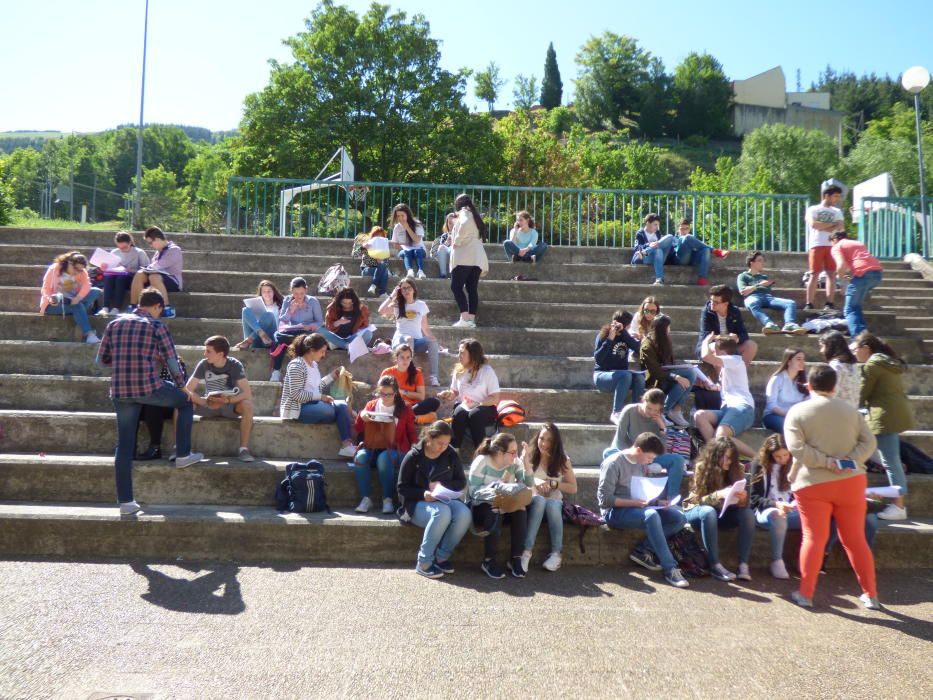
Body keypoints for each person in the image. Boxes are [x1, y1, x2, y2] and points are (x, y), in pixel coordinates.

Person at [96, 288, 204, 516]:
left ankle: (125, 503)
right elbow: (171, 360)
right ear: (156, 307)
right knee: (185, 402)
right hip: (149, 387)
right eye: (160, 310)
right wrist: (183, 385)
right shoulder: (157, 326)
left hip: (120, 391)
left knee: (124, 446)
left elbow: (102, 360)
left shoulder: (114, 325)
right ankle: (183, 453)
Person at [784, 364, 878, 609]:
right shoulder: (850, 411)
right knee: (856, 539)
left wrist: (826, 462)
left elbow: (796, 448)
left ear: (809, 385)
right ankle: (871, 594)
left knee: (813, 538)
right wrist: (846, 462)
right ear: (835, 386)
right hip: (851, 481)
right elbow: (869, 443)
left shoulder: (797, 411)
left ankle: (806, 594)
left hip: (812, 483)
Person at [597, 432, 689, 588]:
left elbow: (641, 492)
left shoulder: (641, 463)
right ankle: (670, 568)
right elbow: (604, 500)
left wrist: (658, 501)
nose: (650, 462)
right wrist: (634, 502)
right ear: (638, 450)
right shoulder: (613, 463)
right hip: (614, 512)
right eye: (649, 458)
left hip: (637, 507)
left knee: (679, 518)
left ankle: (643, 550)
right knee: (651, 515)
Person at [397, 421, 471, 579]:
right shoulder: (413, 456)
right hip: (416, 504)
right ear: (429, 437)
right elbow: (402, 488)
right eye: (440, 443)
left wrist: (442, 485)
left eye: (446, 444)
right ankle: (423, 562)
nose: (443, 448)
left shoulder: (450, 454)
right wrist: (423, 493)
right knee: (442, 513)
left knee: (464, 513)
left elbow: (461, 482)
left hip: (443, 499)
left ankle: (441, 557)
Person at [854, 333, 914, 521]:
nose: (855, 353)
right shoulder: (888, 362)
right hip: (896, 412)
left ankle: (898, 505)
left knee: (890, 461)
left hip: (884, 416)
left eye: (856, 349)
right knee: (890, 458)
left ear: (866, 348)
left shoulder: (873, 364)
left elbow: (862, 393)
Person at [682, 437, 755, 582]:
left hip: (723, 512)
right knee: (708, 512)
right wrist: (719, 495)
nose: (729, 462)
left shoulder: (737, 468)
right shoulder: (702, 467)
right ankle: (715, 565)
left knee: (748, 514)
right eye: (726, 458)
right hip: (698, 511)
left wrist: (742, 499)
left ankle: (743, 565)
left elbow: (743, 506)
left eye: (732, 458)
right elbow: (698, 500)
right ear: (716, 455)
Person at [468, 432, 535, 579]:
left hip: (506, 505)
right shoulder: (482, 461)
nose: (515, 455)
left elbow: (529, 487)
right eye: (512, 452)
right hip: (481, 507)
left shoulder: (515, 463)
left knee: (521, 508)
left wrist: (526, 465)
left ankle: (515, 558)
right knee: (494, 509)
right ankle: (488, 560)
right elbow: (473, 492)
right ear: (499, 452)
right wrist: (496, 491)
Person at [278, 333, 357, 458]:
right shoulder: (296, 365)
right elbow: (296, 394)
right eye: (322, 351)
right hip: (298, 409)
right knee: (330, 411)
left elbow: (316, 387)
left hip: (314, 405)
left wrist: (332, 376)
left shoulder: (314, 365)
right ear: (311, 350)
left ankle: (346, 445)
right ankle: (342, 417)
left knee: (342, 405)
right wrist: (321, 397)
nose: (324, 355)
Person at [604, 388, 685, 501]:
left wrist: (662, 429)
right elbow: (620, 441)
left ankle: (672, 499)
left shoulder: (659, 419)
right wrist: (639, 461)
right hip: (630, 454)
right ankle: (643, 468)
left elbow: (661, 450)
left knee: (678, 460)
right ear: (643, 401)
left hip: (649, 456)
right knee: (608, 452)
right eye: (648, 408)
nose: (651, 412)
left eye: (656, 410)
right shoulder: (629, 411)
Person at [184, 335, 256, 463]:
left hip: (228, 405)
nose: (205, 354)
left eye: (208, 351)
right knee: (183, 404)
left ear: (220, 354)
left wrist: (227, 401)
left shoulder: (234, 365)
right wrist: (205, 402)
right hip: (209, 405)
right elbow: (187, 389)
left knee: (247, 405)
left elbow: (247, 393)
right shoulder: (204, 364)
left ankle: (243, 449)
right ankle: (180, 448)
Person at [351, 376, 417, 514]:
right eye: (382, 393)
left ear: (396, 393)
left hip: (396, 448)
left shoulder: (405, 408)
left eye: (389, 394)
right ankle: (366, 499)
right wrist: (362, 414)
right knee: (360, 457)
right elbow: (358, 427)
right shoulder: (371, 405)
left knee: (384, 458)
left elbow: (411, 432)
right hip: (373, 447)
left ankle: (387, 499)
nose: (385, 397)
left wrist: (415, 448)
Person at [519, 423, 577, 572]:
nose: (544, 443)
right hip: (533, 502)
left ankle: (556, 554)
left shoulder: (562, 459)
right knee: (539, 501)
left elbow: (573, 487)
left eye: (549, 440)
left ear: (556, 442)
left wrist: (553, 484)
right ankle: (526, 552)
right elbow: (518, 480)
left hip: (553, 505)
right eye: (542, 438)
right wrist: (535, 482)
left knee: (552, 503)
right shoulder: (529, 455)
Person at [640, 314, 715, 428]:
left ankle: (674, 410)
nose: (669, 329)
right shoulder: (647, 345)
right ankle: (664, 412)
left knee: (688, 376)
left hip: (667, 377)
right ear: (662, 329)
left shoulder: (665, 341)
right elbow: (655, 371)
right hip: (655, 381)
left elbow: (670, 363)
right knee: (687, 376)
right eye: (668, 327)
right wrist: (676, 377)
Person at [696, 333, 757, 458]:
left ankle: (758, 458)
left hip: (742, 407)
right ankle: (715, 455)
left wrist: (706, 340)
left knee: (721, 435)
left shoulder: (734, 360)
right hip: (727, 408)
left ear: (722, 352)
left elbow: (705, 356)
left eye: (716, 351)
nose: (714, 354)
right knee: (700, 416)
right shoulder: (728, 366)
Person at [749, 434, 799, 579]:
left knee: (821, 516)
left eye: (786, 455)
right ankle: (777, 561)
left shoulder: (794, 464)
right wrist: (776, 504)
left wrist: (795, 504)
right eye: (778, 456)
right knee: (778, 514)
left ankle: (803, 557)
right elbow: (754, 499)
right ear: (769, 455)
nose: (783, 460)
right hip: (766, 511)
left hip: (792, 510)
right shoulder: (759, 465)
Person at [437, 338, 500, 450]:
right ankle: (453, 450)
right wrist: (448, 394)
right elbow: (455, 392)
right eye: (459, 352)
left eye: (462, 353)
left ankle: (481, 452)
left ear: (472, 354)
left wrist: (478, 403)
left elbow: (495, 398)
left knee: (474, 415)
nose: (459, 355)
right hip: (464, 405)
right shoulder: (459, 371)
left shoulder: (487, 371)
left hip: (484, 407)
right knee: (459, 413)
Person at [378, 279, 439, 386]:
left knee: (432, 342)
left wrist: (434, 341)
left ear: (414, 290)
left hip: (417, 341)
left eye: (408, 288)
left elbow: (425, 327)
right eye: (403, 288)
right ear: (400, 291)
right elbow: (381, 311)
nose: (406, 290)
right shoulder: (397, 305)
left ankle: (434, 376)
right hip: (401, 340)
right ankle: (409, 375)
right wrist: (392, 295)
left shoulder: (421, 305)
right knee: (409, 339)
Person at [39, 251, 102, 344]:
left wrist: (78, 298)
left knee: (96, 291)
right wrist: (50, 299)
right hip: (55, 304)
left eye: (80, 270)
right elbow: (45, 289)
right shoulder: (54, 269)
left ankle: (79, 314)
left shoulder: (82, 271)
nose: (77, 272)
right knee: (78, 306)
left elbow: (87, 285)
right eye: (76, 268)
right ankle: (89, 334)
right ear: (69, 263)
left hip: (73, 299)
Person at [593, 309, 643, 425]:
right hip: (602, 376)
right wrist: (610, 339)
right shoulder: (604, 335)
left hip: (621, 377)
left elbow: (640, 350)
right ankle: (616, 412)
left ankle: (637, 413)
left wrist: (626, 335)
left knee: (639, 377)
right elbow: (598, 359)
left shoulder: (626, 337)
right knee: (625, 375)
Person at [737, 251, 805, 335]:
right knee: (752, 303)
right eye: (759, 260)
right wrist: (759, 285)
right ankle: (770, 324)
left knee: (791, 303)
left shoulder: (764, 277)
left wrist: (763, 284)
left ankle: (789, 324)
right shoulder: (743, 276)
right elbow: (743, 292)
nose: (763, 263)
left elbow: (765, 290)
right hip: (753, 297)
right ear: (752, 263)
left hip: (767, 297)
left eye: (763, 260)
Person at [831, 231, 884, 337]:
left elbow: (840, 265)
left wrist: (842, 280)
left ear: (834, 240)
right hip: (877, 274)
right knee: (856, 306)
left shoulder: (837, 246)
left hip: (862, 275)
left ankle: (858, 340)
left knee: (849, 309)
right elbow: (859, 261)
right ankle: (864, 335)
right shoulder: (857, 243)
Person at [269, 277, 323, 382]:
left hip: (307, 331)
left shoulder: (313, 301)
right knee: (278, 336)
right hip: (291, 330)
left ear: (306, 290)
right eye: (295, 293)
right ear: (291, 291)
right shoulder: (287, 300)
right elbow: (283, 320)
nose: (298, 296)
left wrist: (310, 326)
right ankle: (276, 371)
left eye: (301, 293)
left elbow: (319, 322)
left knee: (295, 340)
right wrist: (290, 311)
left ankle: (291, 373)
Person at [449, 193, 489, 328]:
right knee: (472, 288)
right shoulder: (475, 214)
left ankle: (465, 318)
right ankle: (471, 319)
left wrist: (457, 241)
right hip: (477, 258)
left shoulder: (464, 212)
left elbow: (465, 224)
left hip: (465, 257)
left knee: (456, 286)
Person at [136, 358, 188, 460]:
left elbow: (181, 387)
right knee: (132, 406)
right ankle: (129, 447)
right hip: (147, 401)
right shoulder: (147, 362)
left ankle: (155, 448)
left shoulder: (176, 363)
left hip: (170, 404)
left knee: (153, 404)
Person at [804, 182, 844, 310]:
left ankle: (829, 303)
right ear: (827, 196)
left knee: (831, 274)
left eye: (839, 196)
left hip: (832, 246)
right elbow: (814, 224)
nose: (837, 199)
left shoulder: (837, 211)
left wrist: (825, 225)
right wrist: (832, 226)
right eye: (835, 196)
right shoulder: (813, 209)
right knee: (814, 273)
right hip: (817, 244)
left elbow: (841, 227)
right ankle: (809, 303)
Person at [696, 285, 758, 366]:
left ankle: (739, 373)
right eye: (711, 300)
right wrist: (725, 338)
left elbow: (744, 334)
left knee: (751, 345)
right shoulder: (707, 312)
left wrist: (737, 338)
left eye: (716, 302)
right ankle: (721, 378)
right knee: (719, 347)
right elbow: (706, 335)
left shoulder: (734, 311)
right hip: (710, 347)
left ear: (726, 303)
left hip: (730, 347)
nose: (712, 304)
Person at [130, 226, 183, 318]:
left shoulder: (174, 250)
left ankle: (167, 308)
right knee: (139, 274)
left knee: (153, 276)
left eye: (151, 243)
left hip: (173, 281)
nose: (150, 245)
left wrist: (148, 268)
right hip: (157, 279)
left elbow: (160, 265)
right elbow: (153, 267)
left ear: (157, 239)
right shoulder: (158, 252)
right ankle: (135, 307)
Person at [96, 231, 150, 316]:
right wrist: (104, 268)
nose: (122, 250)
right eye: (119, 247)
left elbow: (147, 269)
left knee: (121, 278)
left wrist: (131, 270)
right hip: (115, 277)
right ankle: (105, 307)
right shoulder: (114, 252)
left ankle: (116, 308)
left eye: (125, 247)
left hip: (132, 279)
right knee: (109, 276)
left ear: (130, 243)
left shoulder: (139, 252)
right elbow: (110, 267)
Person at [380, 344, 441, 418]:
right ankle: (416, 418)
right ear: (396, 358)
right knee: (394, 408)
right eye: (402, 357)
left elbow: (421, 397)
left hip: (412, 407)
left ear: (411, 359)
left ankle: (409, 416)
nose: (405, 360)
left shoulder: (417, 373)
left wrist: (403, 392)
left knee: (434, 402)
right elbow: (381, 393)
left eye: (408, 357)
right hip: (394, 405)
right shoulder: (387, 372)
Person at [761, 348, 809, 433]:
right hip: (774, 416)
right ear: (789, 361)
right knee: (790, 427)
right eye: (798, 359)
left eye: (803, 359)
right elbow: (771, 405)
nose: (802, 362)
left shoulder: (804, 382)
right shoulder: (777, 379)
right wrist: (788, 415)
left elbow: (807, 402)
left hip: (795, 418)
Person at [671, 218, 729, 286]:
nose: (684, 231)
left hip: (692, 259)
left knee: (705, 250)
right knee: (687, 238)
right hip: (680, 259)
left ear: (689, 229)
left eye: (686, 228)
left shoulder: (691, 238)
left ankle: (702, 278)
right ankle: (715, 251)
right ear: (678, 230)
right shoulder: (673, 238)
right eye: (682, 229)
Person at [233, 280, 283, 351]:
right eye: (264, 292)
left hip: (270, 340)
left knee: (268, 315)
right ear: (261, 293)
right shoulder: (255, 305)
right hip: (255, 341)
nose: (267, 293)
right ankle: (259, 335)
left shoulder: (280, 306)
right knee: (245, 310)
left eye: (269, 291)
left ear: (274, 292)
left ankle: (249, 339)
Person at [630, 213, 676, 286]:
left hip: (658, 258)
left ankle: (645, 251)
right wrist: (649, 244)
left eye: (658, 225)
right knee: (658, 250)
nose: (657, 227)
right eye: (655, 224)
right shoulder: (640, 233)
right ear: (648, 223)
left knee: (670, 237)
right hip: (646, 257)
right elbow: (636, 249)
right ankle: (659, 279)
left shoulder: (657, 233)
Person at [819, 330, 860, 407]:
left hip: (838, 412)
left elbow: (832, 392)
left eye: (822, 346)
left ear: (830, 346)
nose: (821, 350)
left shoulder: (835, 365)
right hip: (852, 413)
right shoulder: (854, 365)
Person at [390, 203, 427, 279]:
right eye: (398, 216)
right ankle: (410, 271)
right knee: (407, 252)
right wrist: (404, 247)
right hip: (405, 251)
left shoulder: (417, 224)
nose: (400, 218)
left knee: (418, 251)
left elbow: (417, 240)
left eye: (402, 215)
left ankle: (421, 271)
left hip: (419, 250)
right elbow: (394, 244)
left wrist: (407, 227)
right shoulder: (397, 227)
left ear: (407, 215)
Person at [353, 226, 391, 296]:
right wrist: (363, 247)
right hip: (367, 269)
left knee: (384, 268)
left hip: (380, 269)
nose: (378, 239)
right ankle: (382, 292)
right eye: (376, 236)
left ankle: (373, 286)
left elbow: (386, 263)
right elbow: (354, 255)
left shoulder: (384, 247)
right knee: (384, 269)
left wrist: (380, 260)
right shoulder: (367, 243)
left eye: (381, 237)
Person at [430, 213, 456, 279]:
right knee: (441, 247)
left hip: (457, 254)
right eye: (450, 223)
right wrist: (447, 242)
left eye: (453, 223)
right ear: (447, 224)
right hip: (447, 254)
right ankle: (443, 274)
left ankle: (454, 274)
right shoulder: (444, 235)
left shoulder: (461, 235)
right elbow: (441, 250)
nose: (452, 225)